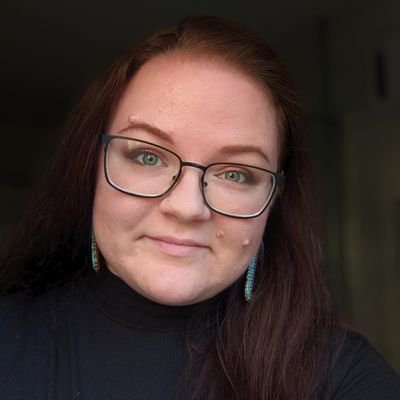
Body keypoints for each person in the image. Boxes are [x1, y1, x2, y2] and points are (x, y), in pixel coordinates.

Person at [0, 16, 399, 400]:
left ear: (274, 201)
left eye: (236, 174)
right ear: (89, 169)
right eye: (147, 157)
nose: (187, 208)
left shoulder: (345, 378)